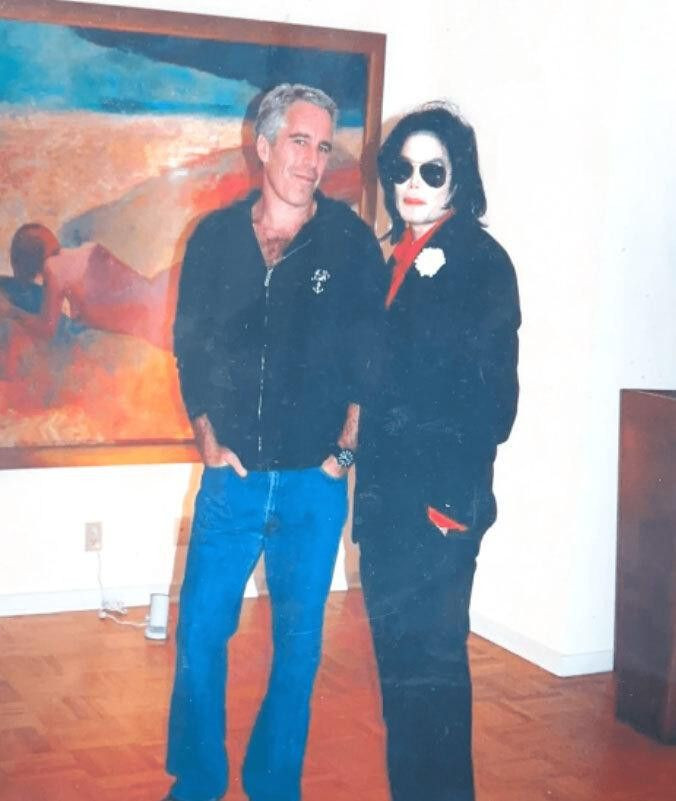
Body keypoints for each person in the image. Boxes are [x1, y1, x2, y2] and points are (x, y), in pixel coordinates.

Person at [164, 84, 385, 801]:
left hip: (312, 488)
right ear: (263, 146)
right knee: (200, 634)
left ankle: (273, 784)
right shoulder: (214, 240)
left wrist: (341, 458)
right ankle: (198, 781)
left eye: (323, 146)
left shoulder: (349, 243)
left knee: (298, 647)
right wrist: (206, 437)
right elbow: (190, 347)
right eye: (298, 141)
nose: (313, 160)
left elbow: (371, 359)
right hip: (230, 481)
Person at [354, 103, 521, 801]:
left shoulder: (480, 263)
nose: (412, 184)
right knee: (401, 684)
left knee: (435, 682)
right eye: (401, 170)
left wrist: (449, 505)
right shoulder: (393, 255)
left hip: (436, 514)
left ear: (459, 178)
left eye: (432, 170)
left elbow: (494, 405)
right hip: (387, 512)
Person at [5, 223, 178, 349]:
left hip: (150, 316)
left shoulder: (53, 268)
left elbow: (47, 328)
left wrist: (11, 311)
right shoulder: (85, 250)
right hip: (156, 292)